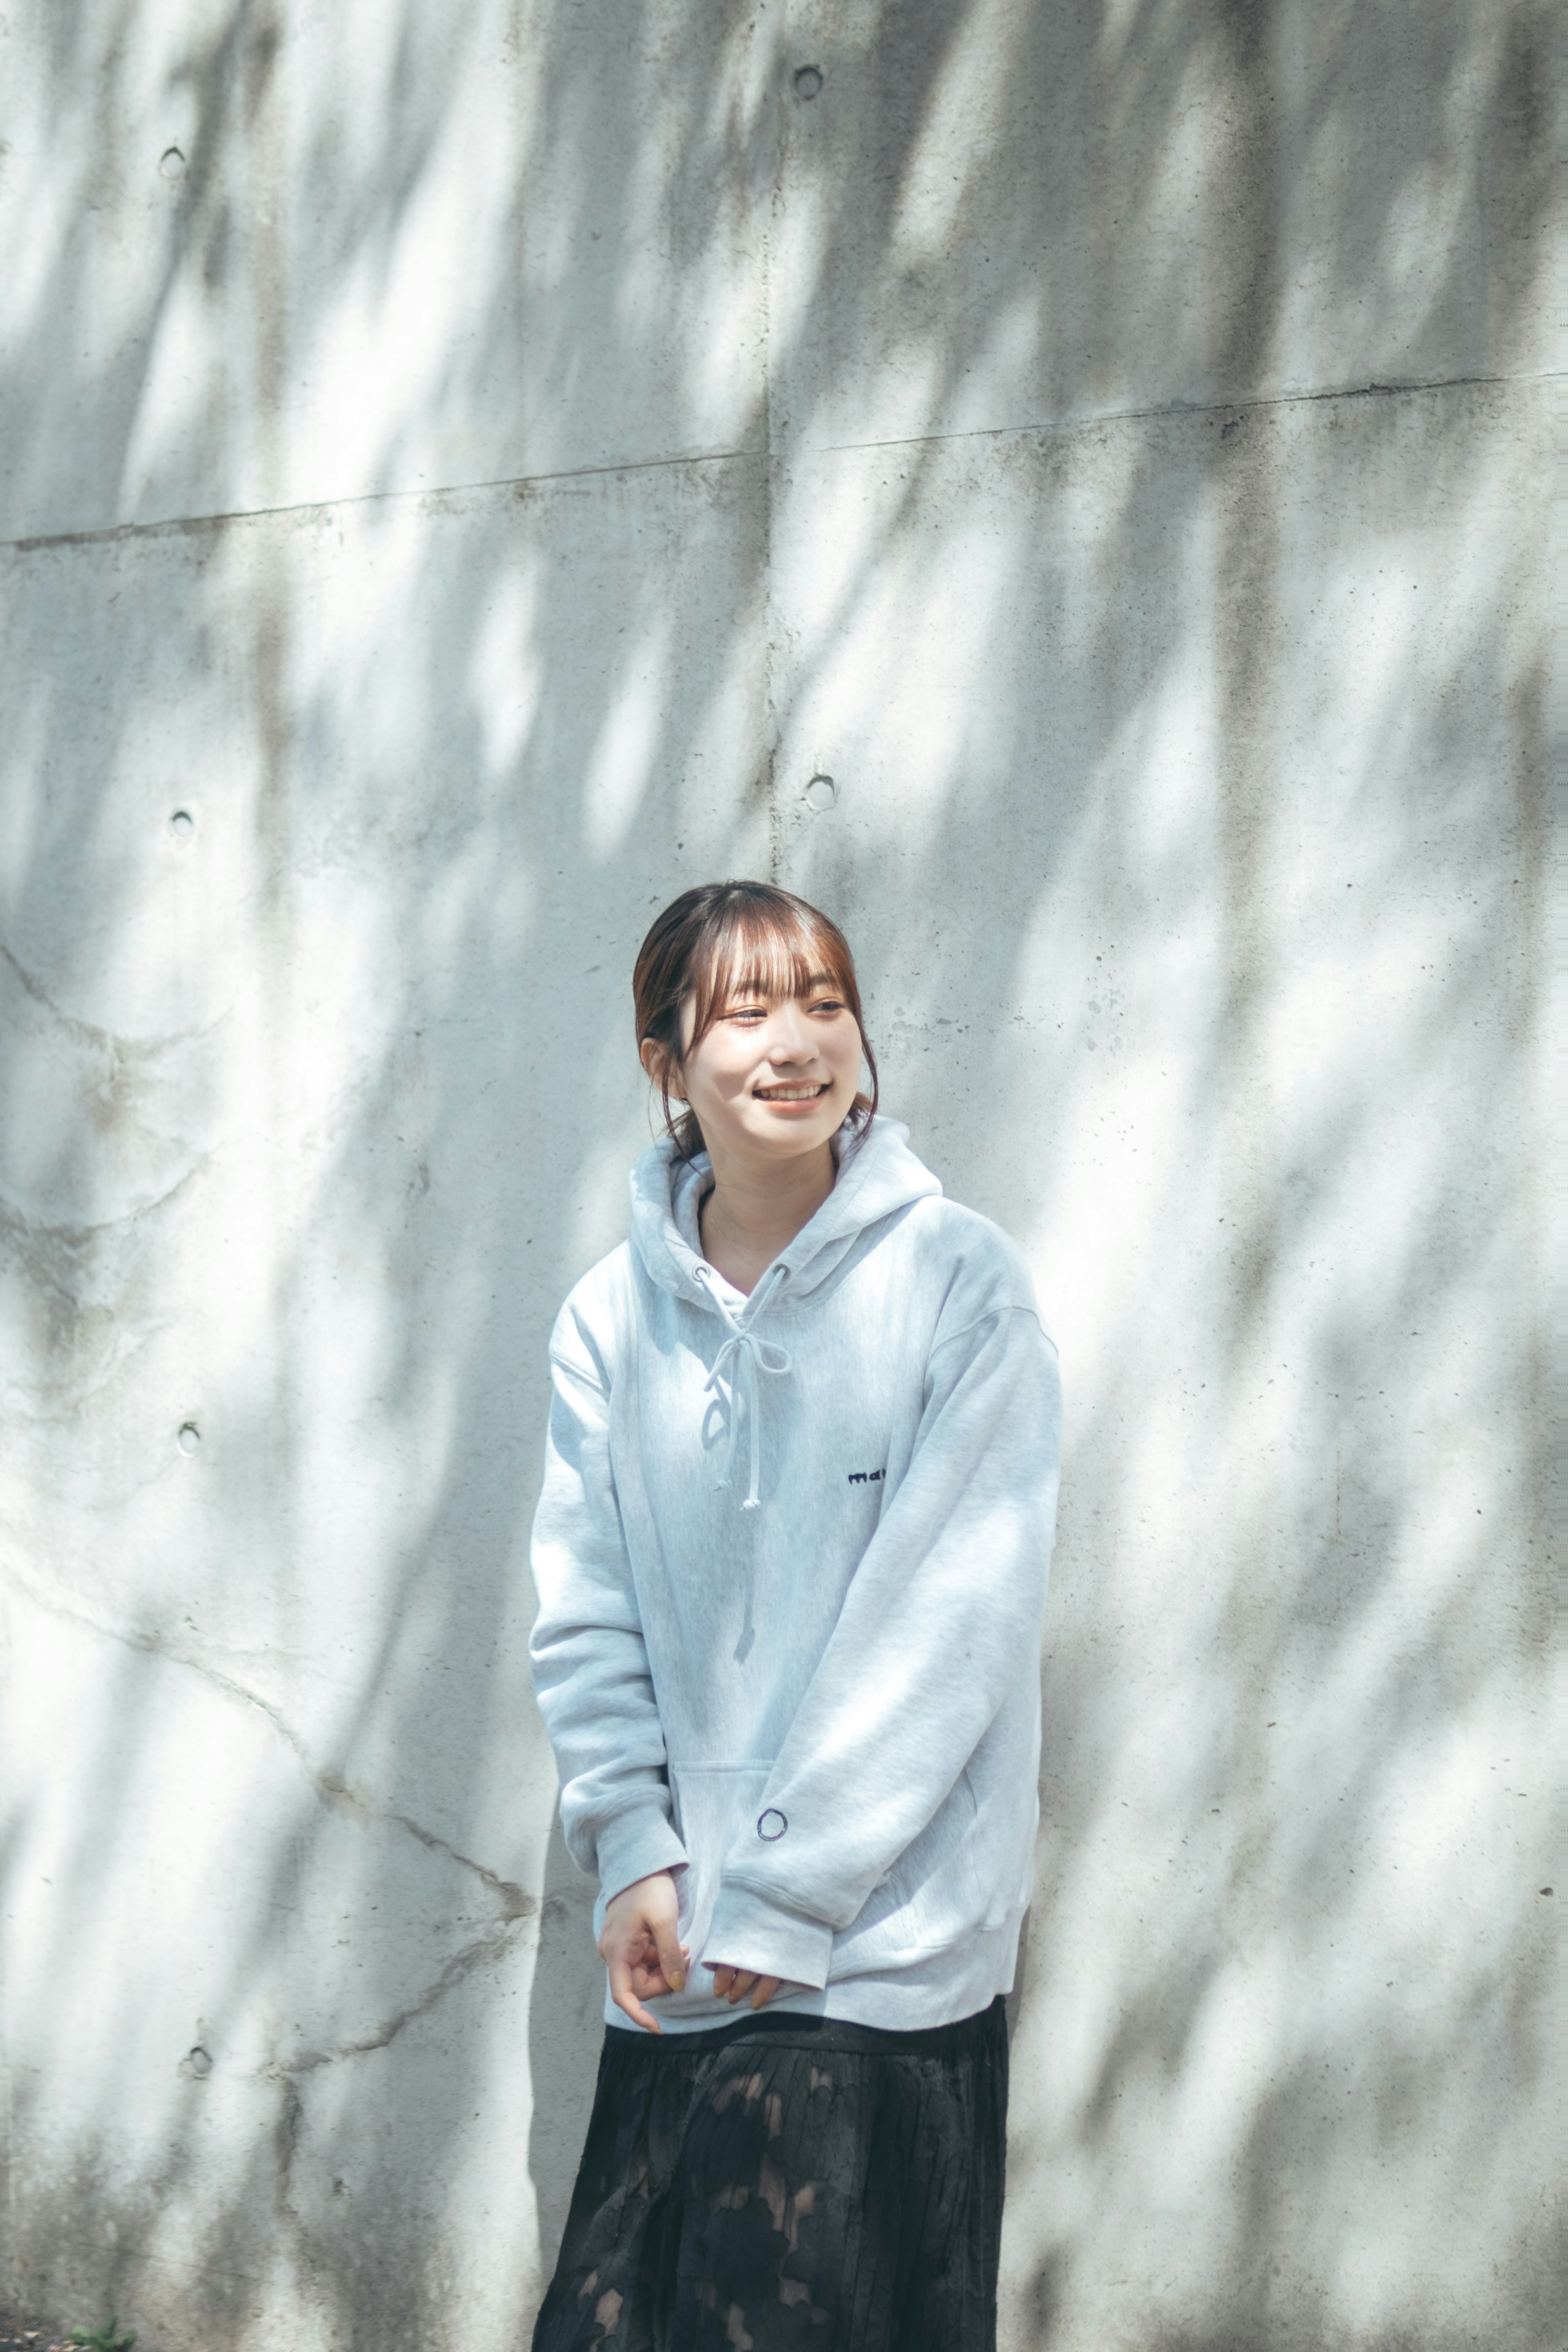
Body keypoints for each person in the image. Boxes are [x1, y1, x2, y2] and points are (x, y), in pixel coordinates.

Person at [528, 880, 1062, 2351]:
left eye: (824, 1002)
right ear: (666, 1062)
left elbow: (952, 1626)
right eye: (746, 1010)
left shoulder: (960, 1287)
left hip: (884, 1947)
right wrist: (631, 1844)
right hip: (694, 1941)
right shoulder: (606, 1320)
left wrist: (791, 1887)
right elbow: (588, 1614)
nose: (797, 1042)